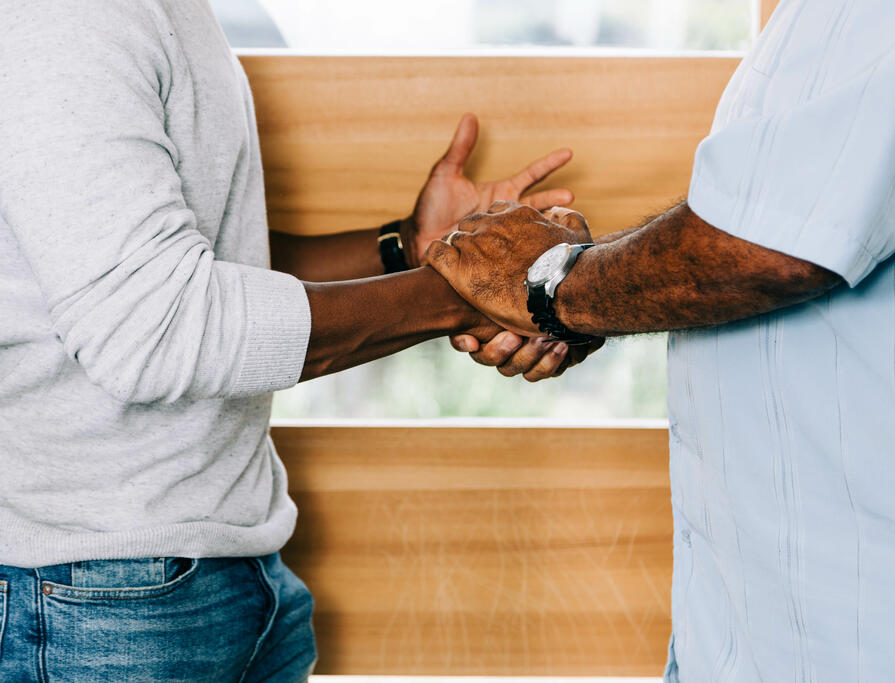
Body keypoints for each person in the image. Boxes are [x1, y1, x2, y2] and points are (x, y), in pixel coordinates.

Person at [428, 1, 895, 680]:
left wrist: (553, 287)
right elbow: (761, 218)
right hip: (763, 618)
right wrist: (569, 294)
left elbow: (777, 243)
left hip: (889, 630)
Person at [0, 1, 594, 680]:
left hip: (213, 574)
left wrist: (411, 252)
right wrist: (471, 289)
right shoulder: (66, 16)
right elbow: (155, 325)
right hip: (100, 600)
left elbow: (194, 270)